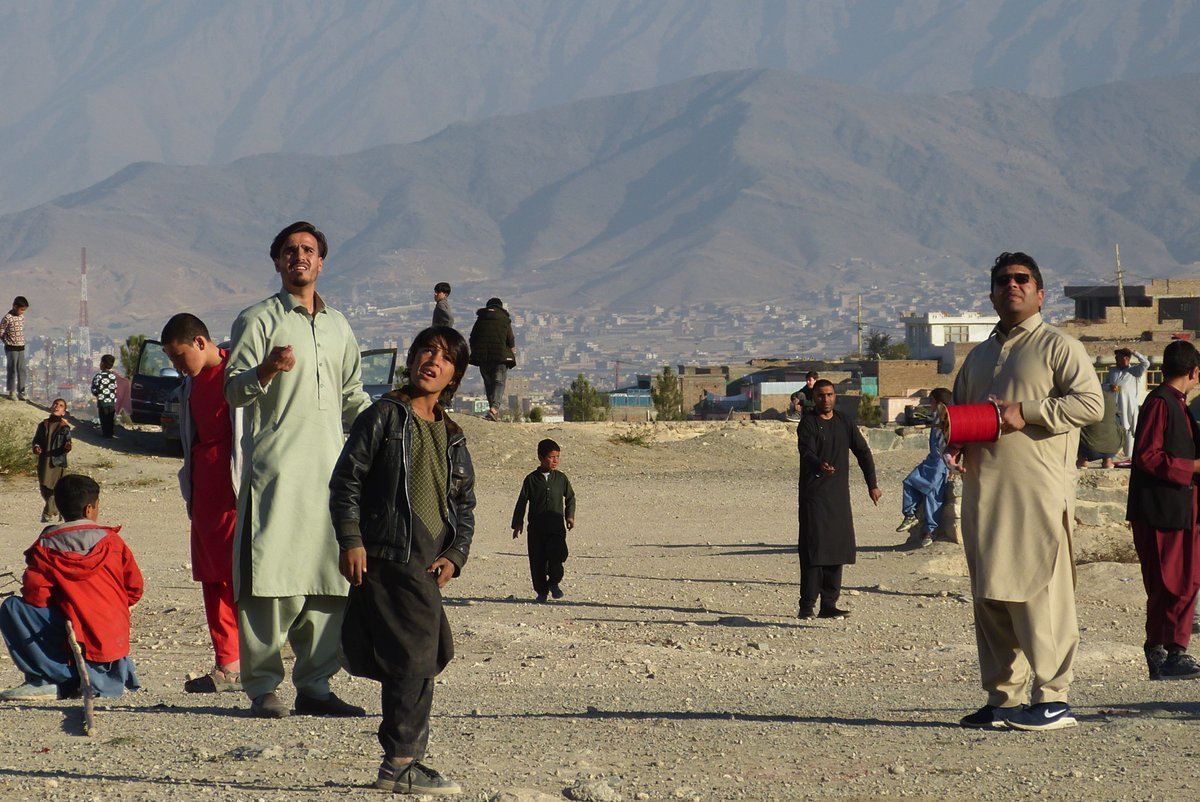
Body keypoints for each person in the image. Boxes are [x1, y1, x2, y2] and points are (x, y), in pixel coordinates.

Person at [950, 252, 1103, 732]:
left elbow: (1091, 404)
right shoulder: (978, 357)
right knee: (991, 598)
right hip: (984, 495)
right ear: (991, 294)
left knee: (1040, 595)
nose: (1011, 285)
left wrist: (1027, 411)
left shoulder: (1059, 346)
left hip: (1038, 495)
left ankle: (1053, 699)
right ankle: (1004, 700)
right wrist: (954, 442)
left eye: (1022, 279)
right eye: (1003, 280)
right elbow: (961, 414)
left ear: (1040, 293)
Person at [224, 221, 371, 719]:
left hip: (331, 475)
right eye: (290, 250)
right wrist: (266, 369)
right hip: (277, 474)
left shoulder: (339, 326)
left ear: (321, 262)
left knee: (328, 580)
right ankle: (264, 686)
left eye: (308, 250)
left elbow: (352, 395)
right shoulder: (257, 320)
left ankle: (316, 687)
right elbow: (233, 390)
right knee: (270, 580)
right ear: (277, 262)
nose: (299, 257)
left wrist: (383, 428)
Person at [329, 326, 476, 795]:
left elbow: (464, 504)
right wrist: (351, 539)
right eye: (425, 351)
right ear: (411, 361)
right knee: (413, 656)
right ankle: (400, 763)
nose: (432, 360)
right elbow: (346, 481)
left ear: (454, 376)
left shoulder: (452, 435)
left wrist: (456, 554)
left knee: (428, 652)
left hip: (428, 561)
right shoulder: (384, 417)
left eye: (445, 357)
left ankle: (402, 761)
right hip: (389, 552)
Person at [0, 474, 142, 700]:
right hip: (111, 640)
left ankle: (51, 677)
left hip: (76, 635)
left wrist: (67, 601)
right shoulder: (113, 541)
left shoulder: (47, 545)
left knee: (13, 608)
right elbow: (134, 589)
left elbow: (36, 596)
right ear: (89, 509)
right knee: (81, 618)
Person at [162, 313, 243, 694]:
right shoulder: (190, 386)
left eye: (179, 356)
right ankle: (227, 662)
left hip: (235, 491)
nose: (178, 366)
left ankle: (253, 660)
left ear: (199, 342)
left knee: (238, 575)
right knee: (212, 577)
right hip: (203, 491)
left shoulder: (237, 373)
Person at [1125, 339, 1200, 681]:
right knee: (1170, 583)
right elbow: (1147, 456)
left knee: (1184, 580)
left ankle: (1164, 650)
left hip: (1179, 508)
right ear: (1193, 372)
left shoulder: (1178, 405)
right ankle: (1170, 653)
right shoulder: (1160, 403)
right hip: (1160, 511)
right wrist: (1191, 467)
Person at [796, 379, 881, 620]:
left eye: (830, 395)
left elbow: (863, 452)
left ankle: (829, 604)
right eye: (821, 395)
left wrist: (872, 484)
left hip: (839, 496)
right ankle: (807, 606)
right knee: (814, 549)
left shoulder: (844, 422)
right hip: (814, 495)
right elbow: (806, 451)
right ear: (814, 397)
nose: (826, 399)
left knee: (837, 548)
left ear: (835, 396)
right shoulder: (808, 423)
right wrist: (819, 464)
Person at [511, 438, 577, 603]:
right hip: (537, 529)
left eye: (557, 457)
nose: (555, 461)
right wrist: (518, 523)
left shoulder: (561, 478)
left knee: (557, 556)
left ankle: (554, 582)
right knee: (537, 561)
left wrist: (569, 516)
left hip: (556, 528)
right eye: (551, 457)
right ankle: (541, 592)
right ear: (541, 457)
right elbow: (522, 502)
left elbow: (570, 497)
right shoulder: (531, 479)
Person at [896, 388, 953, 546]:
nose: (930, 404)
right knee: (909, 482)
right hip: (930, 461)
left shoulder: (949, 421)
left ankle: (930, 531)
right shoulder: (936, 419)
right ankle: (910, 515)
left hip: (941, 464)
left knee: (932, 495)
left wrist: (952, 468)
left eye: (931, 401)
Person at [468, 297, 516, 421]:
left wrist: (476, 350)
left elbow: (473, 337)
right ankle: (494, 409)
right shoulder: (504, 319)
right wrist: (512, 350)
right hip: (500, 356)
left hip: (483, 357)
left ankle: (492, 410)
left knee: (489, 383)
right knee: (499, 382)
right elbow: (510, 338)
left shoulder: (480, 318)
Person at [32, 398, 72, 523]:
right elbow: (36, 440)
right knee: (44, 487)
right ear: (51, 407)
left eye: (61, 405)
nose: (57, 406)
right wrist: (36, 447)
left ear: (63, 412)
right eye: (55, 404)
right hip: (44, 460)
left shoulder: (64, 427)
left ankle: (47, 513)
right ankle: (58, 509)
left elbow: (68, 442)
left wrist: (67, 447)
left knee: (53, 488)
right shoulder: (43, 425)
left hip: (57, 461)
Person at [1107, 347, 1150, 458]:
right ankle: (1112, 456)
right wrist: (1109, 386)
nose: (1116, 360)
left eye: (1118, 358)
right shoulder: (1112, 371)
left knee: (1129, 431)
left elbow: (1146, 363)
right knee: (1115, 430)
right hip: (1115, 406)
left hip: (1129, 406)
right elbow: (1104, 385)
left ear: (1126, 358)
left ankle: (1129, 457)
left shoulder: (1135, 370)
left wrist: (1135, 352)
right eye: (1116, 358)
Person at [1076, 384, 1122, 469]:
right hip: (1111, 447)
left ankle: (1082, 461)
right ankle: (1108, 461)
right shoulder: (1111, 398)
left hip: (1089, 447)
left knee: (1078, 426)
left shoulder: (1088, 397)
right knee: (1113, 426)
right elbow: (1118, 416)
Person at [0, 296, 29, 401]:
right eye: (21, 309)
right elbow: (1, 331)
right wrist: (7, 341)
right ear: (14, 306)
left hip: (21, 347)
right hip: (11, 348)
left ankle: (22, 391)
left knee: (22, 369)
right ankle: (11, 391)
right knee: (12, 369)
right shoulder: (7, 318)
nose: (22, 312)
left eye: (24, 310)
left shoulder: (21, 317)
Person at [90, 354, 119, 438]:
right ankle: (110, 433)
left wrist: (97, 394)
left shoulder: (99, 376)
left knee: (104, 418)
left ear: (102, 364)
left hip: (102, 401)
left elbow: (94, 388)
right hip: (112, 401)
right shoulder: (113, 376)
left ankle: (105, 434)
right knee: (110, 417)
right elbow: (115, 388)